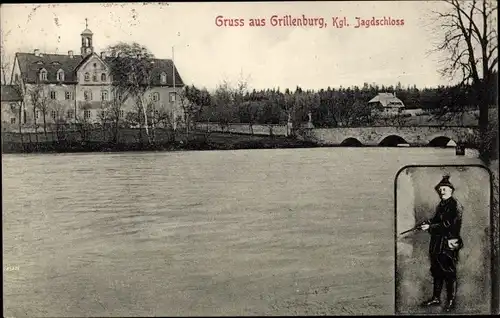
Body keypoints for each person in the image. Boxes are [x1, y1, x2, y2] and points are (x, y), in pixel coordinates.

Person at [419, 175, 463, 312]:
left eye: (444, 189)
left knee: (449, 273)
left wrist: (431, 227)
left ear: (451, 190)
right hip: (437, 244)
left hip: (448, 244)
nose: (441, 191)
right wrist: (428, 223)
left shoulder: (454, 205)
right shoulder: (441, 205)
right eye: (440, 189)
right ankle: (436, 298)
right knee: (437, 271)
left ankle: (450, 301)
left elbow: (448, 225)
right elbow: (437, 220)